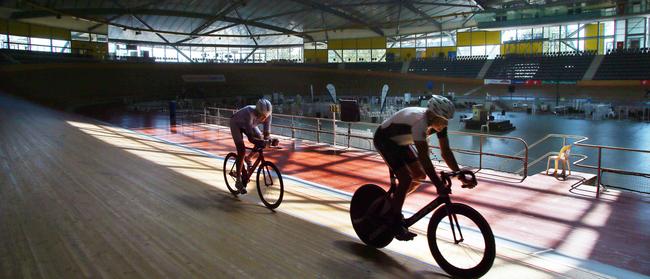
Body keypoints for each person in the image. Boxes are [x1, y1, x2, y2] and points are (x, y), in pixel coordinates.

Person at [373, 95, 476, 241]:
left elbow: (446, 152)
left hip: (400, 142)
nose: (446, 125)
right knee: (406, 179)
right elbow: (424, 158)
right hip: (384, 140)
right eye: (444, 121)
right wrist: (438, 185)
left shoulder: (438, 124)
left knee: (419, 176)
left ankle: (392, 203)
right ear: (434, 115)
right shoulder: (419, 122)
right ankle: (394, 221)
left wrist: (459, 175)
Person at [229, 98, 272, 194]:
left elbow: (266, 134)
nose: (264, 119)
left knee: (260, 138)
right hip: (236, 124)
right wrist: (262, 142)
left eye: (266, 116)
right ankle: (238, 181)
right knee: (241, 150)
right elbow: (251, 139)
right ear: (257, 112)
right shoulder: (249, 113)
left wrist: (270, 140)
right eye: (262, 116)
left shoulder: (268, 114)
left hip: (250, 124)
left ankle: (249, 158)